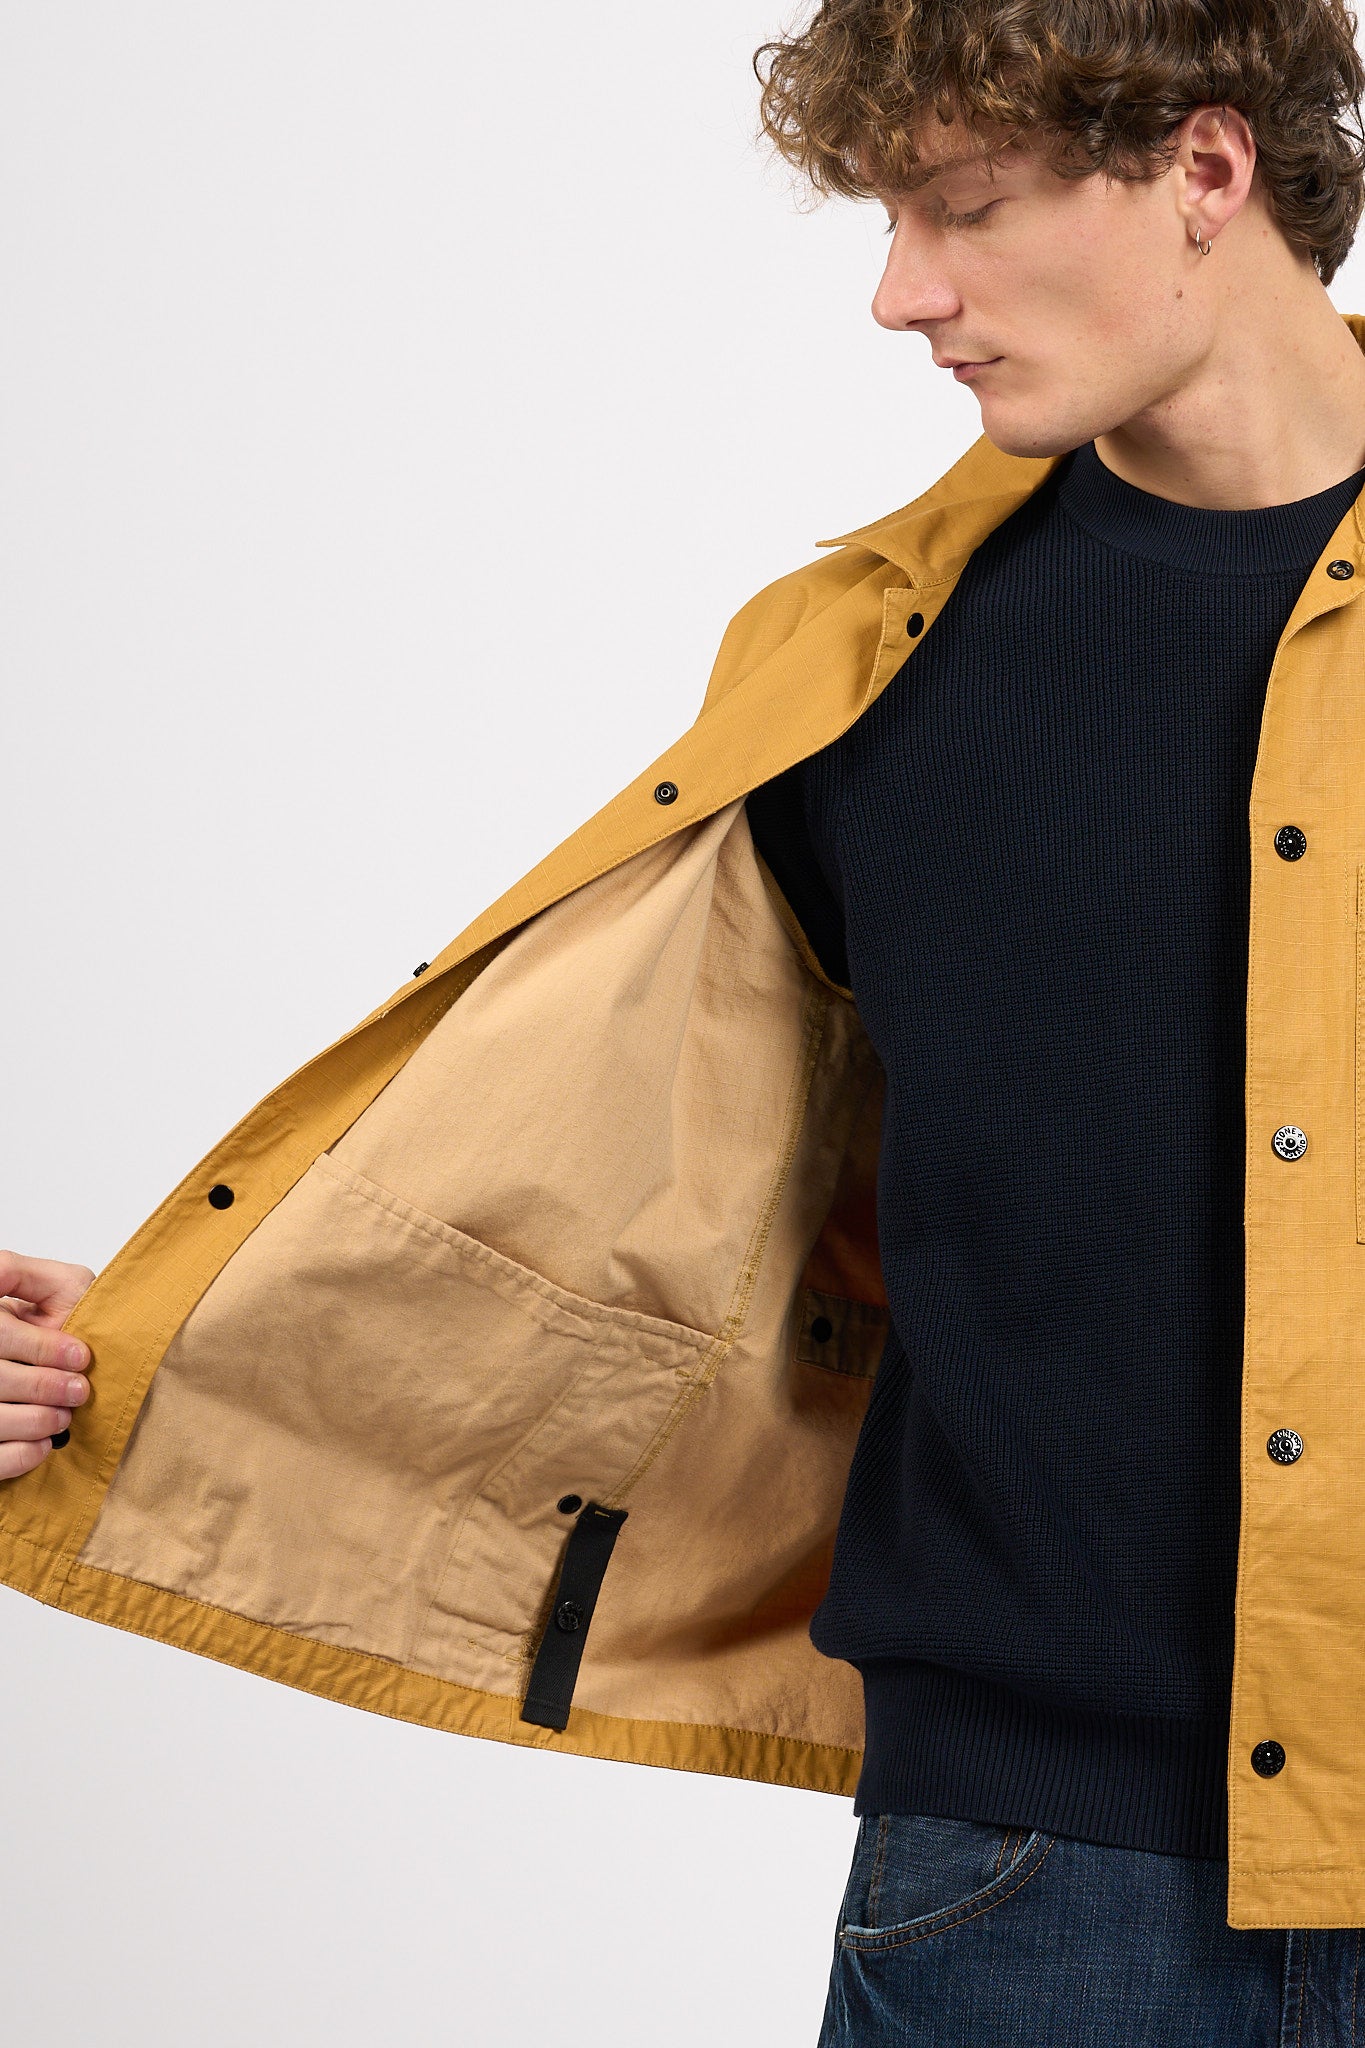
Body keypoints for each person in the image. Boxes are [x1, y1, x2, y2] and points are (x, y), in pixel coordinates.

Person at [6, 1, 1365, 2039]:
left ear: (1203, 168)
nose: (900, 296)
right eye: (887, 221)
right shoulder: (855, 671)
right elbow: (656, 1210)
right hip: (1028, 1876)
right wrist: (137, 1352)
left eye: (962, 209)